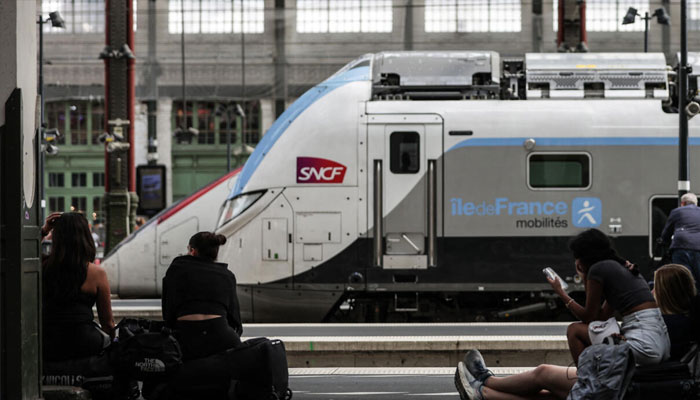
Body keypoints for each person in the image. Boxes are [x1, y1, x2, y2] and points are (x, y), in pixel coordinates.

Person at [454, 256, 695, 400]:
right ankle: (485, 394)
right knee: (555, 394)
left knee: (543, 373)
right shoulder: (681, 322)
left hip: (626, 382)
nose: (648, 292)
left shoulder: (665, 324)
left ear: (664, 293)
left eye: (654, 289)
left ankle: (486, 382)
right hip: (632, 379)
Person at [42, 212, 115, 361]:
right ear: (86, 237)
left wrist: (44, 230)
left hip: (48, 343)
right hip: (85, 342)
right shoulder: (97, 273)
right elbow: (107, 323)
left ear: (57, 238)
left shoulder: (43, 267)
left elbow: (23, 251)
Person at [161, 232, 242, 361]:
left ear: (192, 251)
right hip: (221, 333)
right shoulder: (227, 275)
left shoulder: (176, 269)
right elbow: (235, 317)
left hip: (185, 335)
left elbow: (168, 311)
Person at [654, 264, 697, 361]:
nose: (652, 292)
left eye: (655, 288)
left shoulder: (660, 325)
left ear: (664, 293)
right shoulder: (691, 321)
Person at [659, 192, 700, 291]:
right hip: (698, 247)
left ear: (682, 203)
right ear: (696, 203)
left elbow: (666, 232)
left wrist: (664, 242)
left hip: (680, 246)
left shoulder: (676, 211)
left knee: (684, 278)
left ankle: (685, 302)